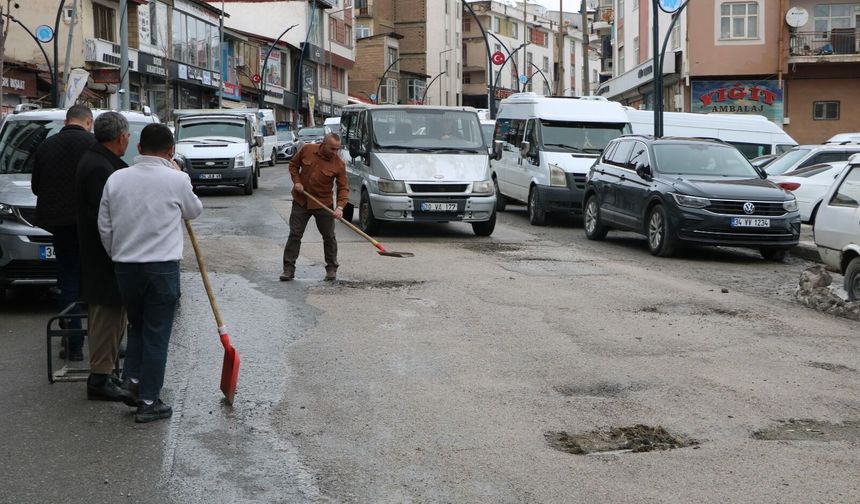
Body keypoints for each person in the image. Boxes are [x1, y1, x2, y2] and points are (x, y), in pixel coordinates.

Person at [98, 123, 203, 423]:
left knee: (139, 326)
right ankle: (148, 399)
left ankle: (132, 382)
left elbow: (105, 226)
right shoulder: (177, 179)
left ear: (139, 148)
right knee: (157, 333)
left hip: (125, 267)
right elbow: (194, 211)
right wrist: (176, 173)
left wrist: (116, 254)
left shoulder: (116, 179)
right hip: (161, 267)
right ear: (171, 151)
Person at [76, 111, 134, 403]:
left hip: (104, 251)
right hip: (103, 253)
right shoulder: (101, 167)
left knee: (112, 312)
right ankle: (99, 377)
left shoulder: (99, 160)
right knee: (106, 314)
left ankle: (106, 371)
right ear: (120, 137)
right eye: (127, 137)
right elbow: (105, 217)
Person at [31, 105, 96, 362]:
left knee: (67, 282)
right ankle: (101, 341)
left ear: (66, 121)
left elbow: (37, 186)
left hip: (59, 225)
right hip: (90, 227)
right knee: (91, 283)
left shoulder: (47, 146)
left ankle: (72, 344)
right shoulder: (93, 145)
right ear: (88, 122)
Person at [281, 132, 348, 282]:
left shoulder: (339, 164)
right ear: (323, 144)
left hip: (323, 204)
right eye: (332, 149)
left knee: (329, 237)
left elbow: (343, 188)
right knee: (295, 234)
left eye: (337, 149)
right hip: (301, 200)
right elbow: (293, 165)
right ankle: (288, 270)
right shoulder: (307, 149)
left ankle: (331, 269)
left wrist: (340, 207)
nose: (334, 152)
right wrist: (296, 181)